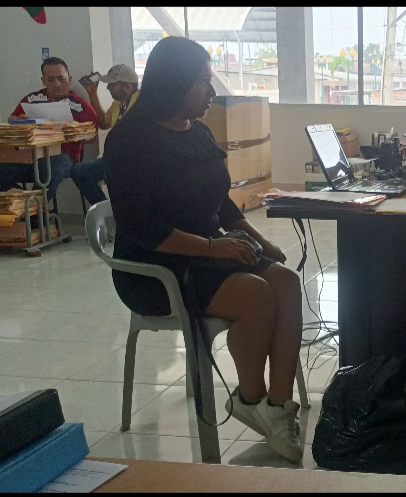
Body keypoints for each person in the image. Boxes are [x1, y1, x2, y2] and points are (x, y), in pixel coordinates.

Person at [104, 37, 305, 462]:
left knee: (286, 282)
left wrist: (261, 240)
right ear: (174, 82)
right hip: (156, 266)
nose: (211, 92)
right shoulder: (129, 139)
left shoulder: (198, 131)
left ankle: (277, 408)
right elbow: (141, 228)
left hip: (214, 249)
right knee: (255, 294)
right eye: (203, 82)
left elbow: (220, 201)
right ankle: (251, 398)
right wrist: (214, 248)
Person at [0, 57, 97, 201]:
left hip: (63, 155)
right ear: (43, 81)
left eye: (61, 78)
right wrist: (20, 121)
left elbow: (93, 136)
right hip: (32, 155)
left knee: (49, 171)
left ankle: (35, 211)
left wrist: (74, 133)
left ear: (69, 79)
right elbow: (12, 119)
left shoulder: (81, 106)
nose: (57, 84)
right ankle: (27, 206)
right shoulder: (32, 99)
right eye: (50, 80)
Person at [70, 64, 140, 205]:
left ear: (127, 87)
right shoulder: (118, 103)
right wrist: (92, 94)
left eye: (112, 85)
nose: (108, 88)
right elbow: (103, 122)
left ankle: (115, 211)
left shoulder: (141, 103)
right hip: (115, 159)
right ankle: (106, 210)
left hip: (134, 162)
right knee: (79, 172)